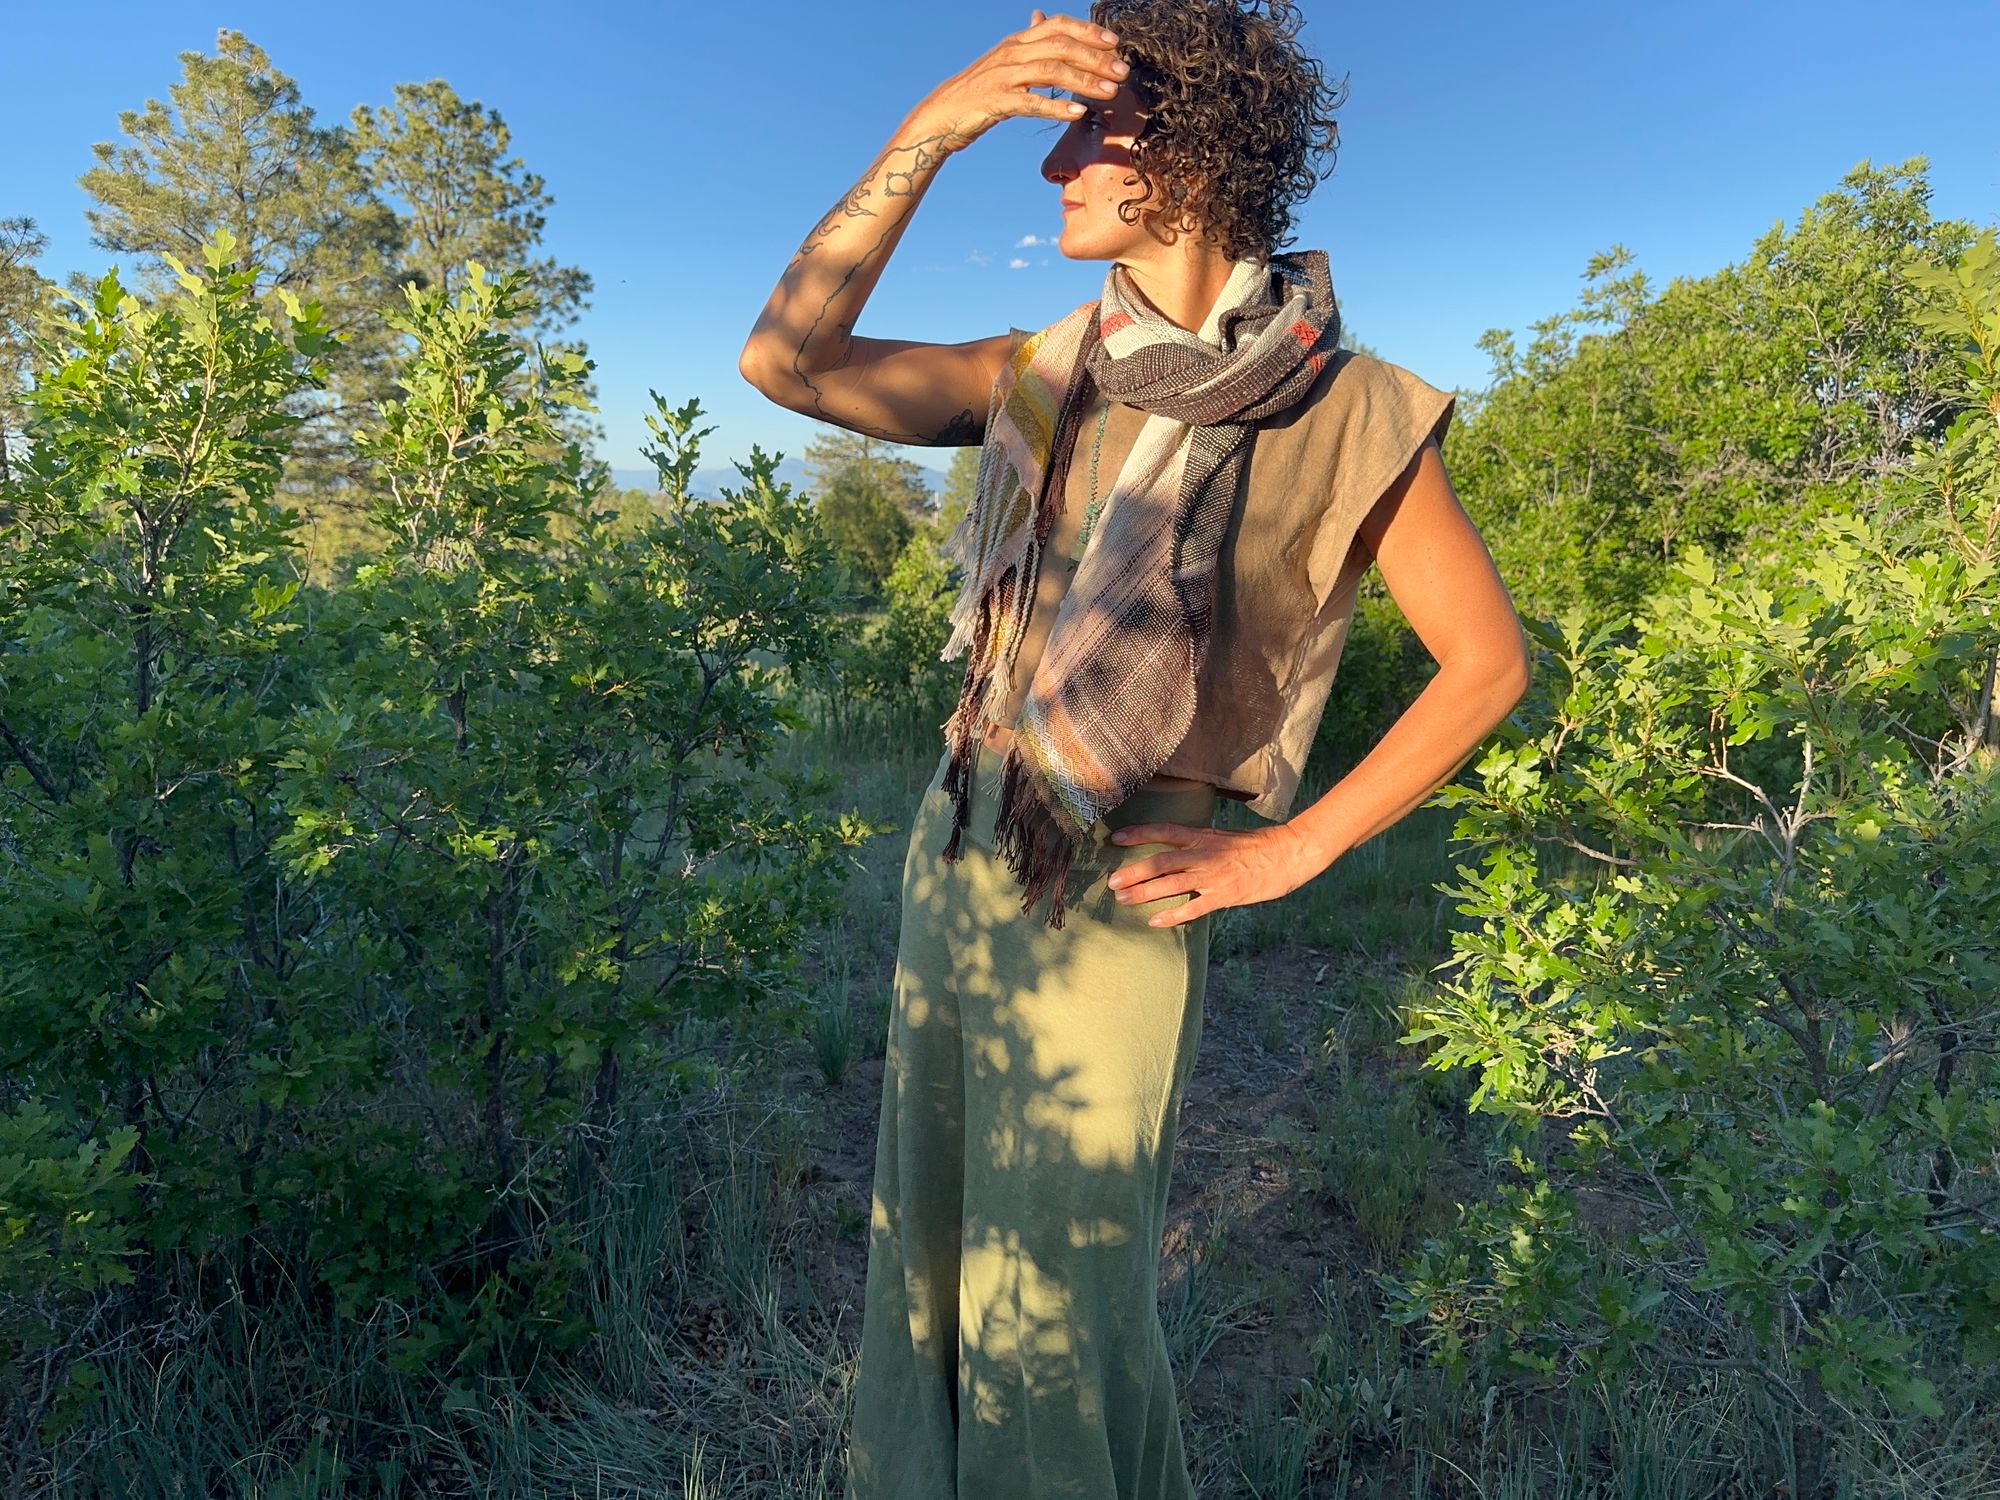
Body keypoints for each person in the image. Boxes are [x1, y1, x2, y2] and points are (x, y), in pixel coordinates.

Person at [739, 3, 1531, 1494]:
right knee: (928, 1250)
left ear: (1186, 149)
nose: (1048, 166)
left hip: (1121, 891)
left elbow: (1487, 666)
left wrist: (1293, 849)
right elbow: (786, 360)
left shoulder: (1354, 412)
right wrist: (928, 128)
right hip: (959, 842)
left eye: (1083, 131)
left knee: (1063, 1299)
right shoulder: (1042, 373)